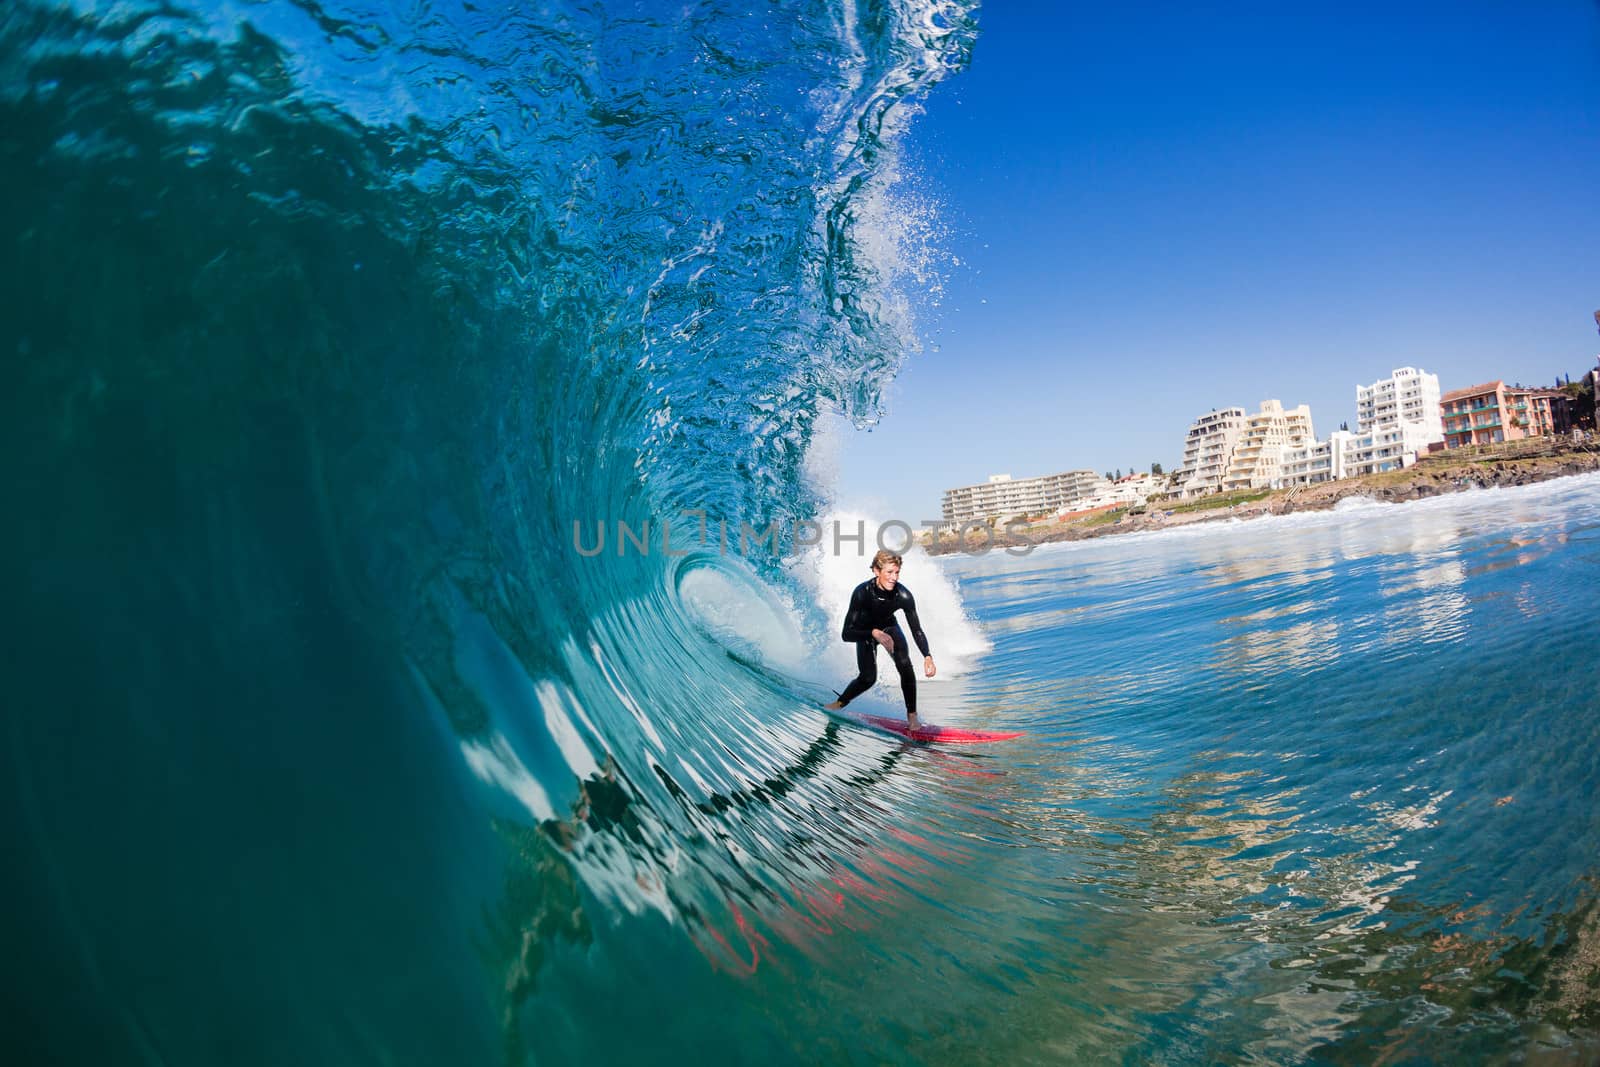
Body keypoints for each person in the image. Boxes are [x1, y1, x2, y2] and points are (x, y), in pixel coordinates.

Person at [824, 550, 937, 730]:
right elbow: (847, 634)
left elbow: (917, 630)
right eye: (889, 572)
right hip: (866, 631)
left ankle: (912, 717)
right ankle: (839, 703)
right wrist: (874, 633)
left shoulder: (903, 596)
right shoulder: (862, 593)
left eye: (897, 572)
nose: (894, 577)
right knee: (868, 678)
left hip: (889, 627)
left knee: (905, 664)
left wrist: (927, 656)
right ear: (877, 571)